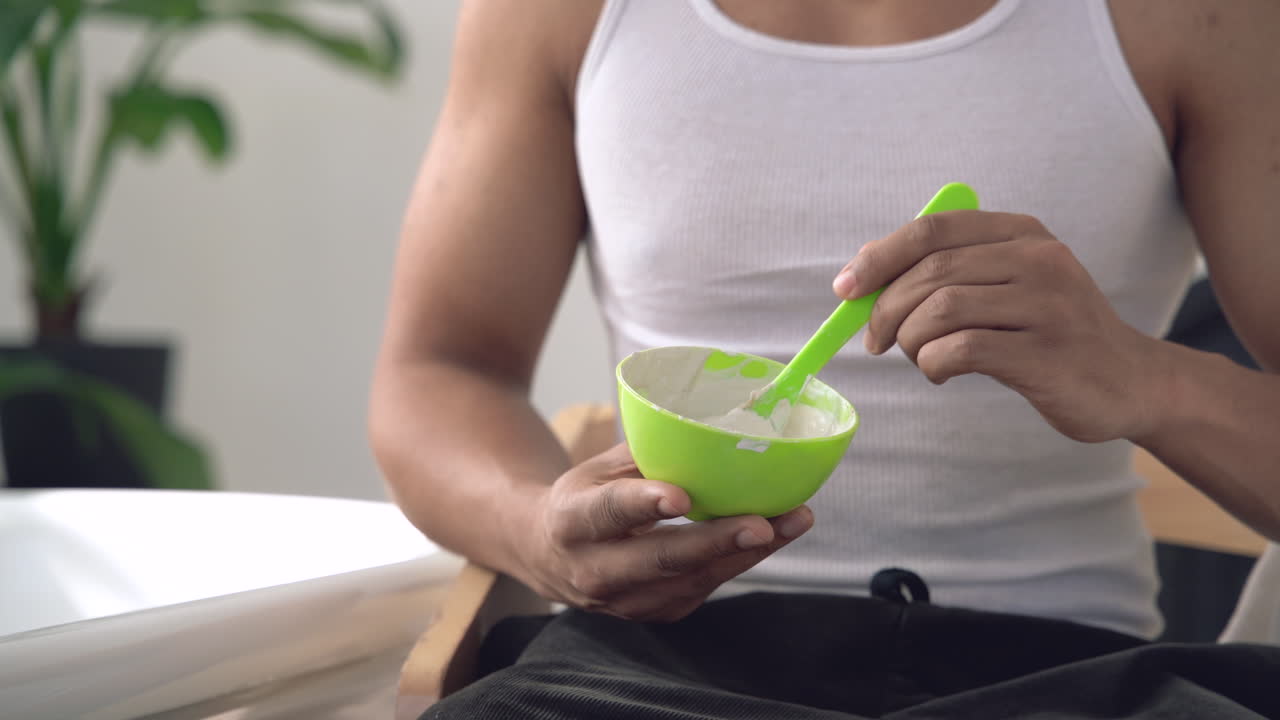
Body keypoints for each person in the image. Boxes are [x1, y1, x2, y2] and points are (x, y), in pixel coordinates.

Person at [369, 0, 1280, 717]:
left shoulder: (1192, 15)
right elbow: (439, 371)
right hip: (649, 675)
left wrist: (1144, 377)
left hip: (1071, 674)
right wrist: (537, 533)